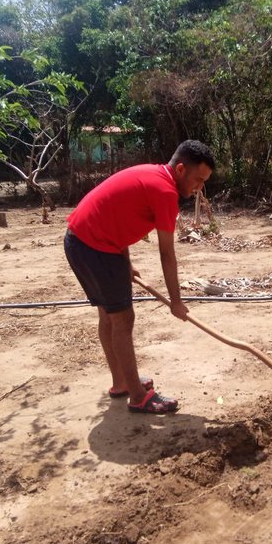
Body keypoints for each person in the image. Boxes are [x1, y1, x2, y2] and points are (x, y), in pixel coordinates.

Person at [64, 140, 215, 414]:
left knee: (108, 316)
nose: (199, 188)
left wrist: (126, 264)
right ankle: (137, 396)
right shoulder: (165, 192)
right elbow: (166, 254)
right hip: (96, 248)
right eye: (198, 179)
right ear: (181, 169)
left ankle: (121, 382)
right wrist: (176, 302)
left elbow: (117, 219)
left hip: (78, 241)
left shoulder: (152, 174)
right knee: (123, 318)